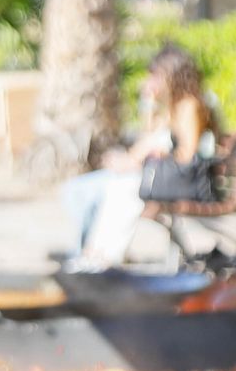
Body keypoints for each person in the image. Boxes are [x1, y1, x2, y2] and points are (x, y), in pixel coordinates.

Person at [62, 44, 218, 268]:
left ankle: (103, 257)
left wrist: (159, 155)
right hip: (175, 179)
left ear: (172, 75)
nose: (152, 81)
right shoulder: (174, 106)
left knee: (125, 188)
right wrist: (149, 104)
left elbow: (187, 155)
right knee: (120, 185)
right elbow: (149, 135)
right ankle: (97, 253)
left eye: (156, 75)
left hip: (189, 182)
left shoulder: (189, 106)